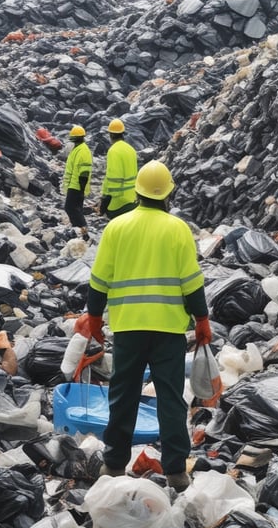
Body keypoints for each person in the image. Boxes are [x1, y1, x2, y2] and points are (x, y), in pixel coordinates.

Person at [85, 160, 211, 492]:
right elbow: (191, 283)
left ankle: (114, 465)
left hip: (128, 328)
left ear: (137, 192)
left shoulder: (116, 227)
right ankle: (176, 472)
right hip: (168, 331)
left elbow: (99, 281)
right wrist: (202, 319)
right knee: (171, 399)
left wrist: (94, 317)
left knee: (122, 395)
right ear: (168, 193)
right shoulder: (178, 229)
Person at [99, 118, 138, 219]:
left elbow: (112, 178)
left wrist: (104, 202)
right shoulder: (131, 149)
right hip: (133, 199)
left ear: (111, 135)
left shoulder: (113, 151)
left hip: (119, 203)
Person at [63, 125, 93, 240]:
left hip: (77, 186)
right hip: (74, 185)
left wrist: (81, 189)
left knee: (71, 208)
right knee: (75, 209)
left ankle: (84, 234)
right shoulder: (78, 149)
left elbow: (84, 172)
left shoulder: (83, 150)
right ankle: (79, 232)